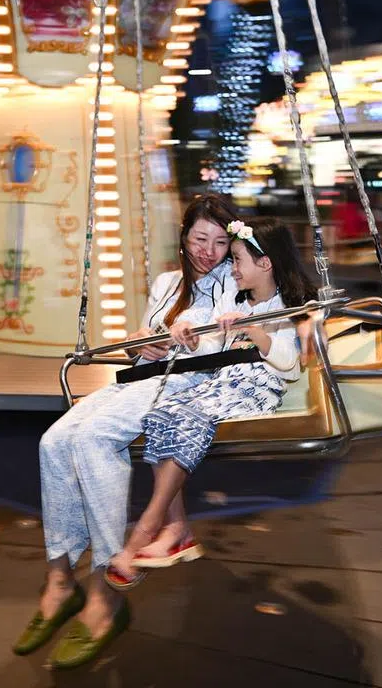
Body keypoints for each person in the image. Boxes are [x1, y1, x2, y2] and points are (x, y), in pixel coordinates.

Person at [12, 194, 240, 669]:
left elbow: (227, 341)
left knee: (94, 440)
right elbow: (143, 343)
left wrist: (196, 337)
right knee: (53, 440)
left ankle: (106, 589)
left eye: (220, 241)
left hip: (186, 385)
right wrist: (148, 348)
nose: (209, 250)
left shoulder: (234, 284)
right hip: (144, 379)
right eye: (201, 238)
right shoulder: (166, 282)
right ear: (184, 236)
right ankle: (59, 579)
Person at [105, 219, 317, 587]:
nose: (231, 269)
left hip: (256, 389)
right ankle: (177, 531)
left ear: (265, 263)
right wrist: (188, 338)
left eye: (237, 260)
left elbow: (289, 363)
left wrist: (257, 329)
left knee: (188, 416)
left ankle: (146, 529)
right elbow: (212, 349)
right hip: (222, 383)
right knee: (161, 414)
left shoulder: (288, 306)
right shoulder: (234, 300)